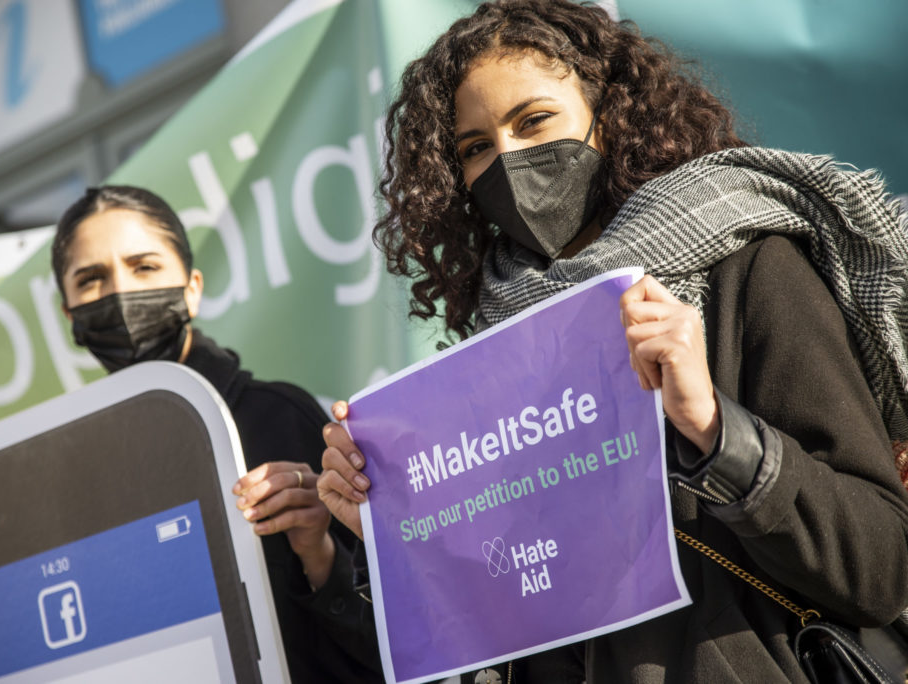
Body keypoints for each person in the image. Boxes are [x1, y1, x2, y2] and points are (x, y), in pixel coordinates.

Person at [317, 1, 908, 682]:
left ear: (612, 116)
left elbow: (882, 568)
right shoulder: (490, 364)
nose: (508, 157)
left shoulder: (751, 268)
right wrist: (405, 540)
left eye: (533, 119)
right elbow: (532, 643)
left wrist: (716, 431)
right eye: (475, 147)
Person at [52, 185, 382, 683]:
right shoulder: (71, 467)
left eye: (144, 266)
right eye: (92, 278)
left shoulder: (279, 416)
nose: (121, 293)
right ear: (70, 314)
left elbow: (389, 642)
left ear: (192, 288)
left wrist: (320, 551)